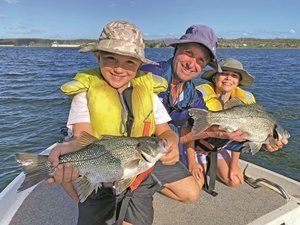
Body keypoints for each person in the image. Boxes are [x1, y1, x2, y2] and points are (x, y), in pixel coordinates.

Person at [47, 21, 199, 225]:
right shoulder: (85, 94)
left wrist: (171, 144)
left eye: (130, 62)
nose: (119, 68)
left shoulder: (148, 93)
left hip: (139, 172)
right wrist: (66, 149)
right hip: (99, 173)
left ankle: (139, 192)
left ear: (139, 65)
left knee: (185, 192)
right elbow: (80, 137)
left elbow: (165, 131)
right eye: (111, 58)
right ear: (97, 56)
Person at [140, 25, 289, 192]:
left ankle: (148, 180)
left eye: (201, 60)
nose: (192, 64)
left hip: (166, 146)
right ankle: (142, 182)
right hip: (138, 147)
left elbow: (208, 128)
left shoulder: (192, 95)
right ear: (175, 50)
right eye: (188, 53)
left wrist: (261, 143)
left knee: (194, 192)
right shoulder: (148, 75)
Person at [192, 57, 256, 187]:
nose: (228, 78)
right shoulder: (199, 95)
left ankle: (212, 167)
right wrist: (192, 162)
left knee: (235, 182)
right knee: (196, 185)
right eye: (224, 74)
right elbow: (187, 128)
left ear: (238, 82)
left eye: (234, 75)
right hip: (195, 148)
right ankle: (195, 164)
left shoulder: (245, 101)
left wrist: (234, 165)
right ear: (215, 77)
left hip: (221, 148)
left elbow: (241, 137)